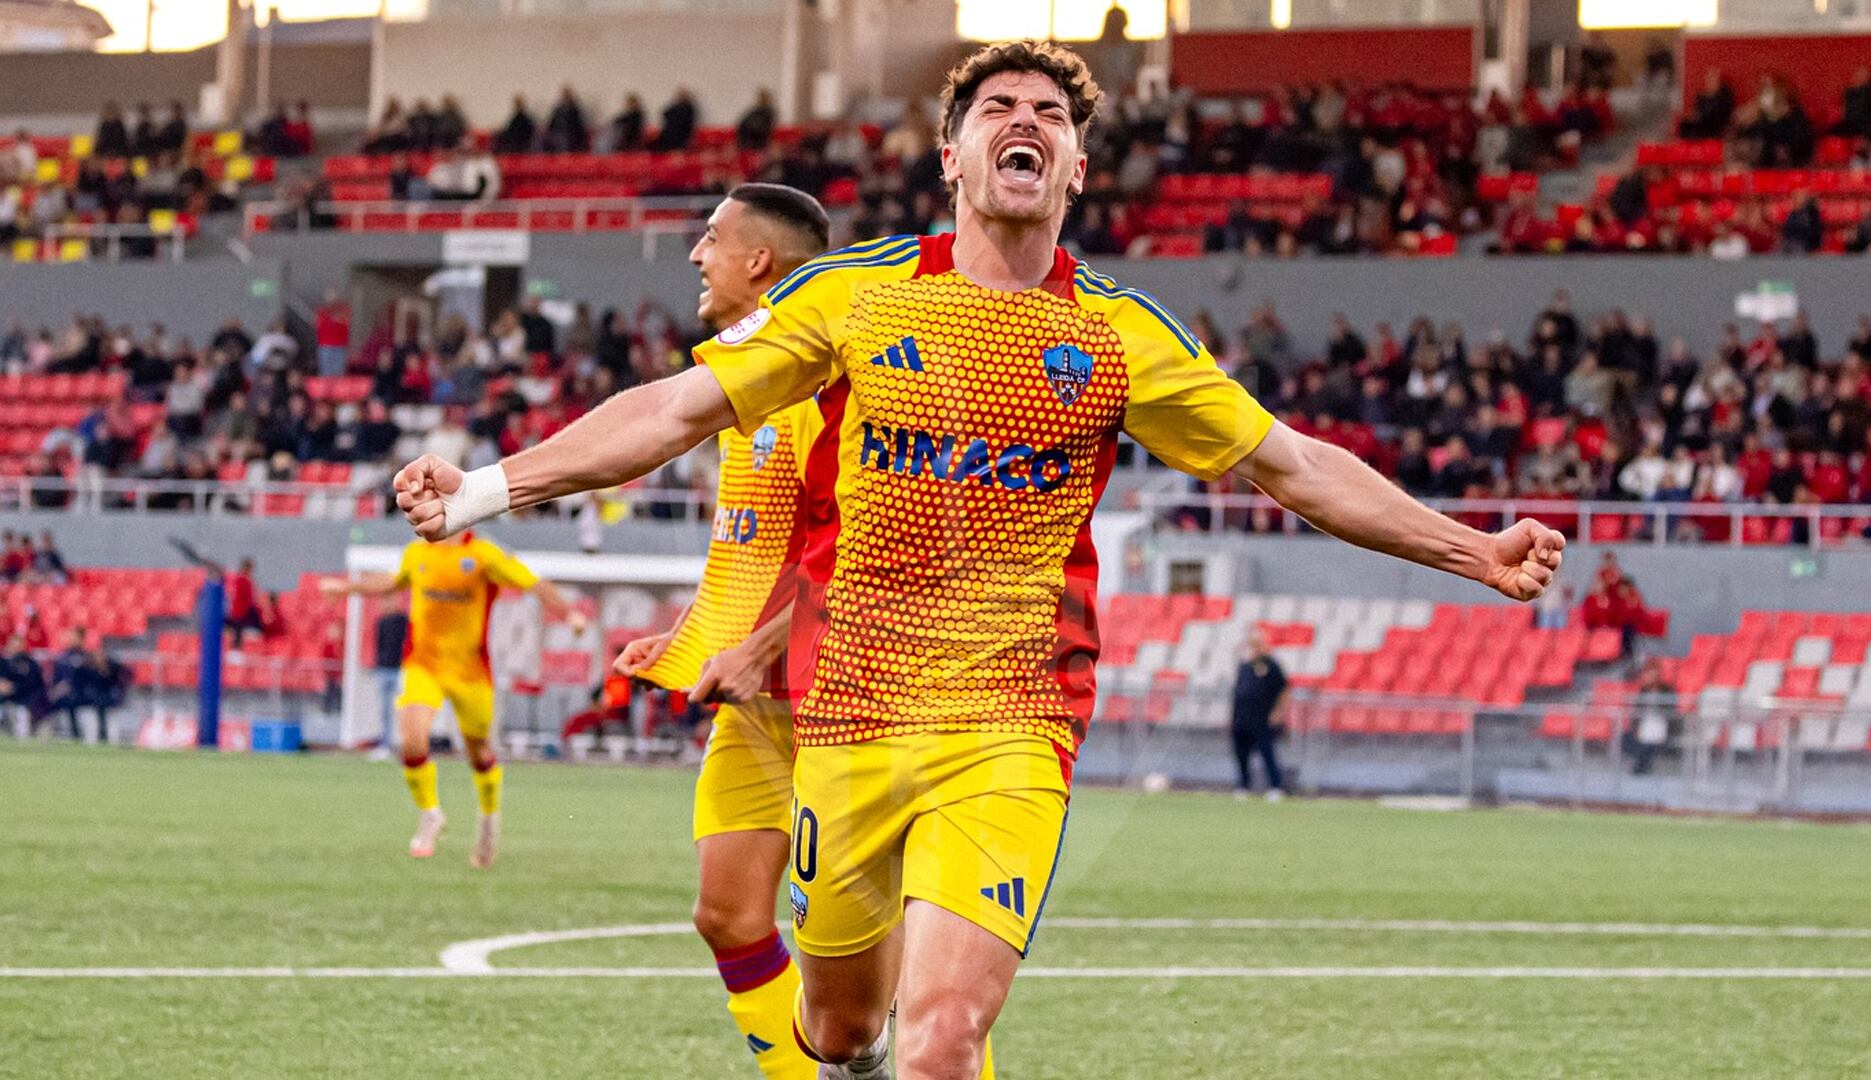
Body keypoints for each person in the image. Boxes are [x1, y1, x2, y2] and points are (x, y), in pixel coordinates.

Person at [389, 40, 1565, 1078]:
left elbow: (1293, 465)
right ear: (951, 156)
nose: (1025, 123)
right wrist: (485, 488)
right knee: (843, 1029)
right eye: (997, 108)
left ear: (1078, 169)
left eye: (1049, 116)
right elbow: (673, 413)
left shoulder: (1117, 332)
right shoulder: (855, 297)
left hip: (1011, 721)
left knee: (946, 1037)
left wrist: (1474, 549)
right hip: (849, 716)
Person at [607, 183, 834, 1080]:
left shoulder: (829, 384)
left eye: (710, 239)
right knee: (728, 915)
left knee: (871, 959)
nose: (696, 256)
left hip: (845, 701)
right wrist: (692, 639)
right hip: (758, 700)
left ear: (760, 261)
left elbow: (857, 552)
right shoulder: (743, 386)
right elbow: (758, 549)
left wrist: (761, 649)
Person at [321, 534, 584, 867]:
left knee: (479, 753)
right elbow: (392, 581)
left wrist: (570, 613)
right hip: (423, 666)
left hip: (471, 673)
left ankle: (489, 818)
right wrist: (346, 589)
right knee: (412, 740)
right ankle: (430, 813)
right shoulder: (417, 552)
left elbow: (533, 583)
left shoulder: (483, 554)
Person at [1229, 627, 1289, 799]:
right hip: (1242, 718)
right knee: (1241, 754)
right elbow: (1238, 693)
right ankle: (1243, 785)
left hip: (1261, 719)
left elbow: (1283, 690)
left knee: (1267, 753)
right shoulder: (1245, 666)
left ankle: (1275, 786)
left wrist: (1278, 711)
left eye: (1257, 644)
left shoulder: (1271, 666)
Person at [1622, 658, 1678, 775]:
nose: (1648, 677)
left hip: (1660, 724)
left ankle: (1640, 768)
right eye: (1646, 674)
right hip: (1644, 725)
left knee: (1651, 741)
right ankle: (1642, 766)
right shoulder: (1643, 691)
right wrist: (1635, 728)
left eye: (1651, 674)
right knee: (1625, 737)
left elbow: (1671, 712)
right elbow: (1636, 713)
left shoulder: (1667, 691)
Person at [370, 593, 409, 759]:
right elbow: (379, 644)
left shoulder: (404, 621)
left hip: (400, 670)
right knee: (385, 710)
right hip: (384, 670)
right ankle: (385, 744)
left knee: (406, 709)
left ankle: (409, 745)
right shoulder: (381, 622)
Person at [0, 632, 45, 738]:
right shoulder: (3, 660)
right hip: (2, 700)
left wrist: (14, 687)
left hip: (22, 701)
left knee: (22, 727)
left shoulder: (29, 662)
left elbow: (34, 683)